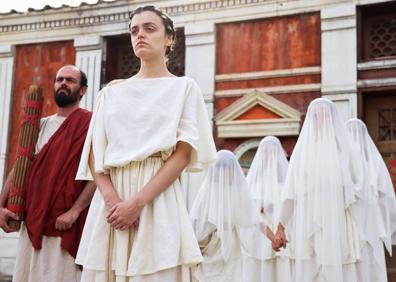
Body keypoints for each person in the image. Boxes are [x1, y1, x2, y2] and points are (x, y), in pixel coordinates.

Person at [74, 5, 217, 282]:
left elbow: (183, 153)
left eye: (149, 29)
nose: (140, 35)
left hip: (156, 201)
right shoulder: (111, 92)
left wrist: (137, 203)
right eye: (134, 30)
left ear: (168, 39)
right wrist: (112, 201)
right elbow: (95, 153)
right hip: (111, 204)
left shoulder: (184, 88)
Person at [0, 65, 96, 282]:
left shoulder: (90, 125)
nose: (63, 83)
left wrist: (74, 211)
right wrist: (1, 204)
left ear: (82, 90)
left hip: (65, 222)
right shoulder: (39, 125)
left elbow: (97, 174)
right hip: (33, 217)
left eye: (70, 80)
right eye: (59, 79)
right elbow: (20, 166)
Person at [274, 98, 362, 282]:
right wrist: (280, 227)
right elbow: (291, 194)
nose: (320, 121)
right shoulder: (301, 154)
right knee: (310, 272)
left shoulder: (345, 152)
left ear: (331, 120)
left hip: (338, 224)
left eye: (324, 117)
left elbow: (358, 185)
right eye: (316, 117)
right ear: (311, 121)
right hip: (307, 224)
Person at [189, 150, 261, 282]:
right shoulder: (207, 191)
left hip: (232, 246)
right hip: (211, 246)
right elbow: (197, 220)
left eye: (226, 168)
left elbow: (253, 219)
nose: (222, 172)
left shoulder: (239, 193)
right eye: (219, 168)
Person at [346, 118, 396, 282]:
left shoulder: (342, 165)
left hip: (351, 225)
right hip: (371, 225)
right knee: (370, 265)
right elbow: (386, 197)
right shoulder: (375, 163)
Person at [241, 136, 291, 282]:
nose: (269, 156)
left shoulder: (287, 182)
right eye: (266, 152)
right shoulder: (252, 183)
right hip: (260, 235)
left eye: (272, 151)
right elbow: (249, 211)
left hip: (283, 232)